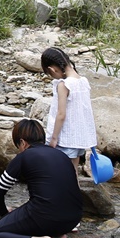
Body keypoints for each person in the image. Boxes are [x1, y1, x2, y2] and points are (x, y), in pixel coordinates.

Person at [0, 119, 82, 238]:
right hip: (72, 219)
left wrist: (4, 216)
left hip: (45, 215)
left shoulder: (24, 156)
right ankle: (55, 236)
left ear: (22, 143)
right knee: (36, 210)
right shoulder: (61, 155)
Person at [41, 47, 97, 178]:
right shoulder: (83, 81)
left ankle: (63, 198)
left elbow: (61, 114)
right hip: (79, 138)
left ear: (52, 69)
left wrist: (53, 138)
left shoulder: (64, 85)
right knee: (73, 172)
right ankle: (75, 197)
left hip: (66, 138)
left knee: (60, 174)